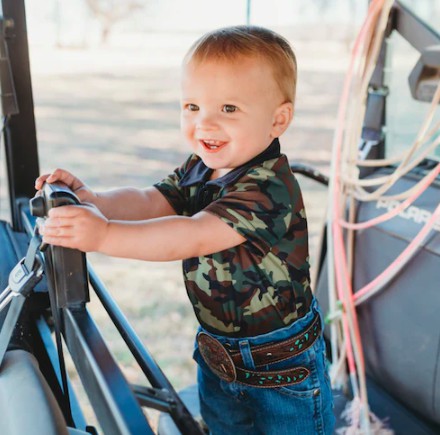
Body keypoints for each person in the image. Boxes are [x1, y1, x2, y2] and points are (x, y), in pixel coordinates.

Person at [36, 25, 335, 434]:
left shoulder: (268, 188)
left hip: (282, 370)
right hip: (219, 357)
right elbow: (151, 200)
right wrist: (95, 202)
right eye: (192, 106)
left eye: (229, 108)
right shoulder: (201, 167)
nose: (205, 123)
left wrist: (104, 235)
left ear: (277, 120)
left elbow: (191, 234)